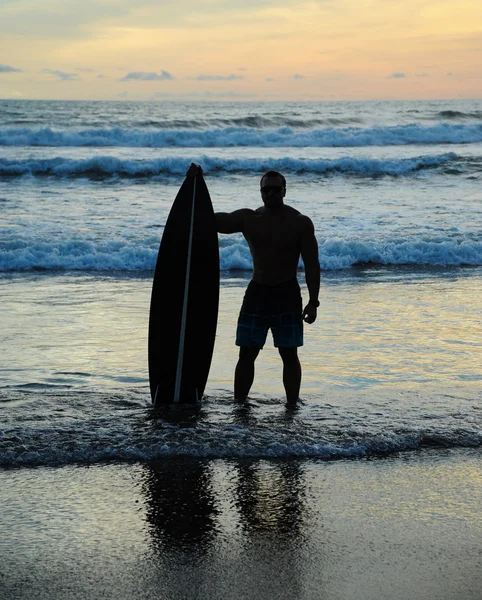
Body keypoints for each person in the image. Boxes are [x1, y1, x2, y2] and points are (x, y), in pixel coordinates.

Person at [187, 163, 320, 404]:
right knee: (247, 353)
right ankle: (240, 404)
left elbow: (312, 265)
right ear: (260, 192)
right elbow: (213, 221)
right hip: (257, 293)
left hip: (287, 293)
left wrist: (313, 302)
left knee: (289, 354)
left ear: (284, 191)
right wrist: (195, 187)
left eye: (275, 190)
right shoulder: (250, 219)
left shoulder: (300, 222)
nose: (270, 194)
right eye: (266, 190)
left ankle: (292, 405)